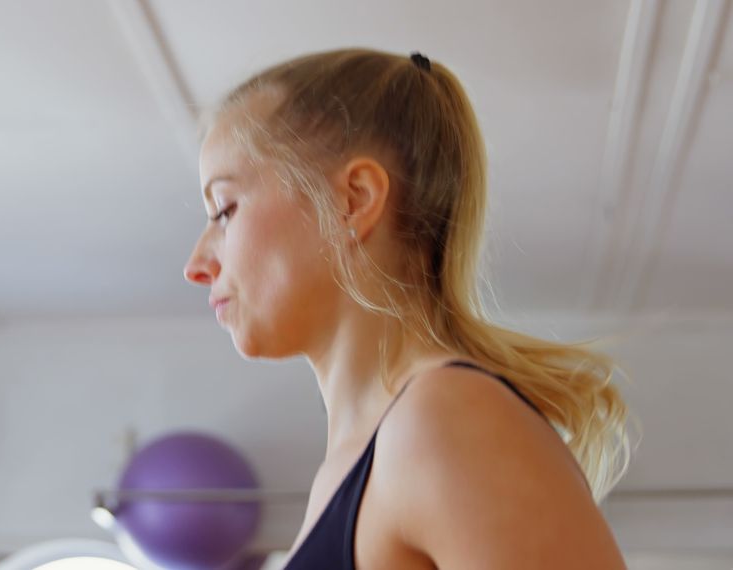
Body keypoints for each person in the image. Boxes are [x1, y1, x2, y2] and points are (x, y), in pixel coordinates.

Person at [183, 49, 630, 569]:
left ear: (353, 198)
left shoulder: (446, 418)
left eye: (225, 210)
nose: (197, 264)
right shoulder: (350, 468)